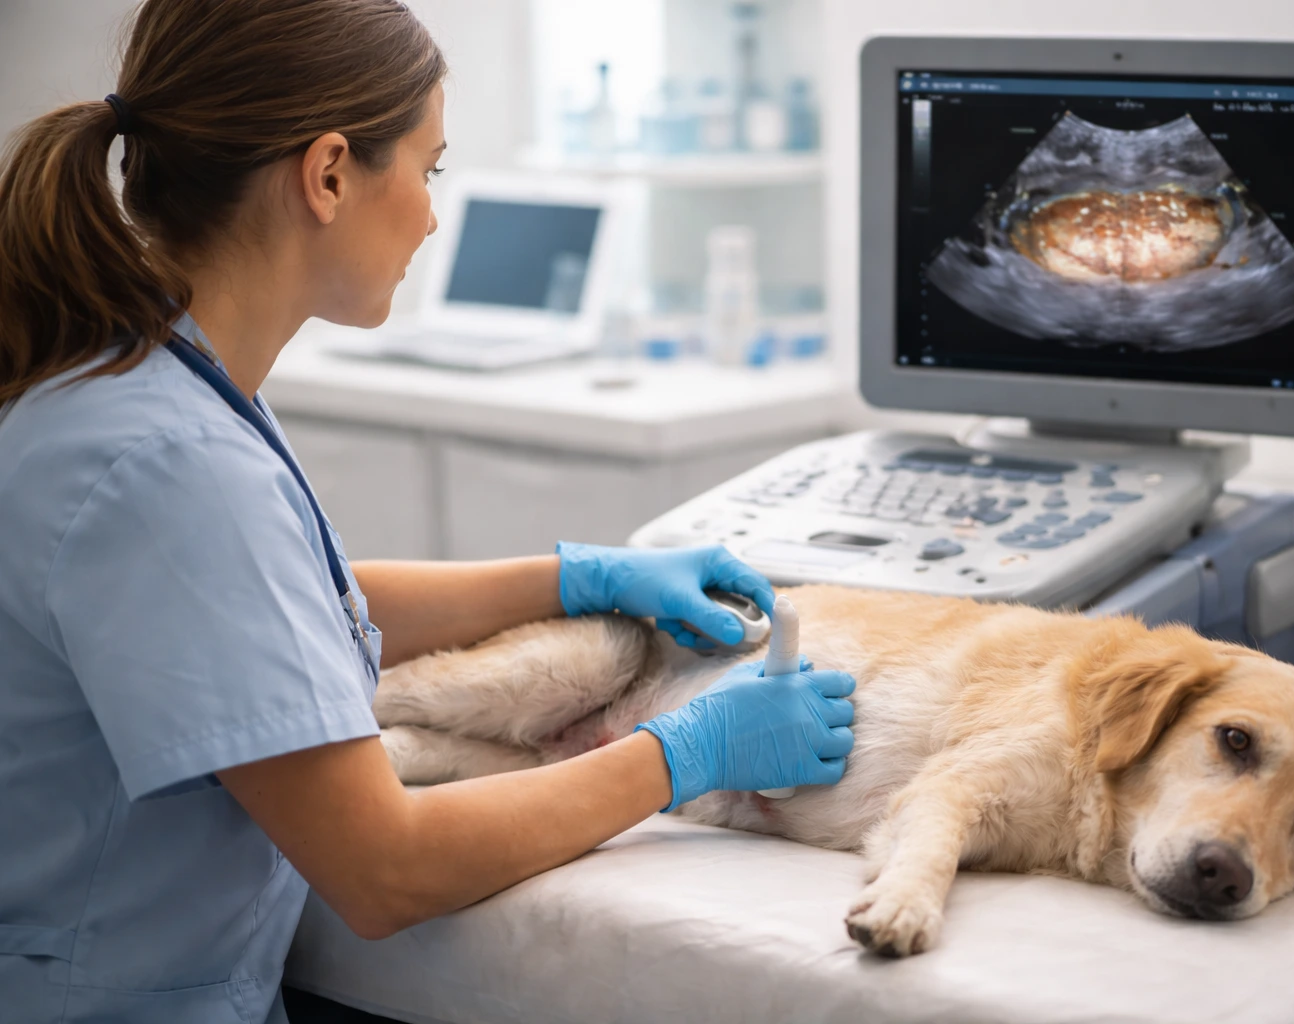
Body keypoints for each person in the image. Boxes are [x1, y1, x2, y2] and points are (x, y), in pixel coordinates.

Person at [0, 3, 856, 1022]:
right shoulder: (169, 462)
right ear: (326, 176)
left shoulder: (148, 381)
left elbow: (275, 615)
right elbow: (385, 869)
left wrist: (578, 575)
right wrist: (688, 752)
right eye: (428, 169)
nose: (433, 215)